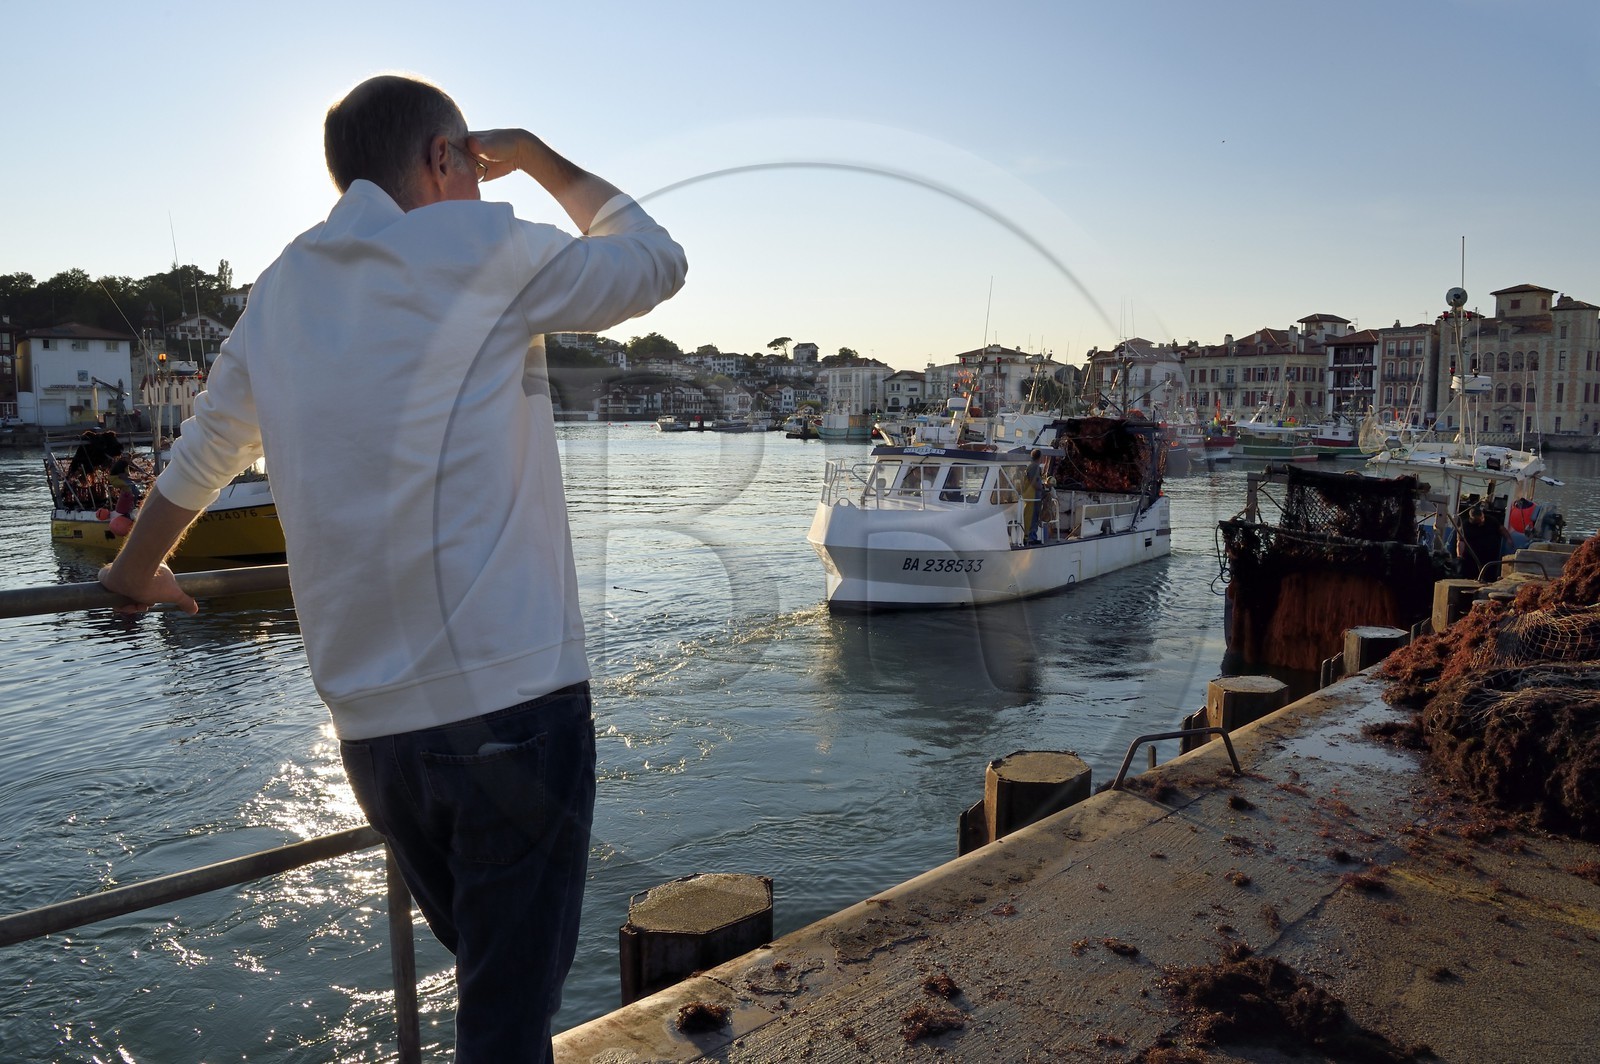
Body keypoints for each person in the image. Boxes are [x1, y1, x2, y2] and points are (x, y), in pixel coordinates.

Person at [98, 74, 686, 1062]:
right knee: (506, 1017)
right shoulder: (482, 245)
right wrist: (538, 154)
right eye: (472, 162)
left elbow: (205, 451)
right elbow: (656, 262)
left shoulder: (281, 287)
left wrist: (132, 570)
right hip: (513, 701)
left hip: (373, 732)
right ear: (442, 158)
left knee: (492, 988)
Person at [1021, 448, 1045, 544]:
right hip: (1033, 496)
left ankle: (1030, 536)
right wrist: (1042, 488)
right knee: (1032, 517)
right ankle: (1031, 538)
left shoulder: (1031, 466)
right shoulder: (1035, 467)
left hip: (1030, 495)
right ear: (1039, 457)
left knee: (1031, 517)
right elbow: (1034, 482)